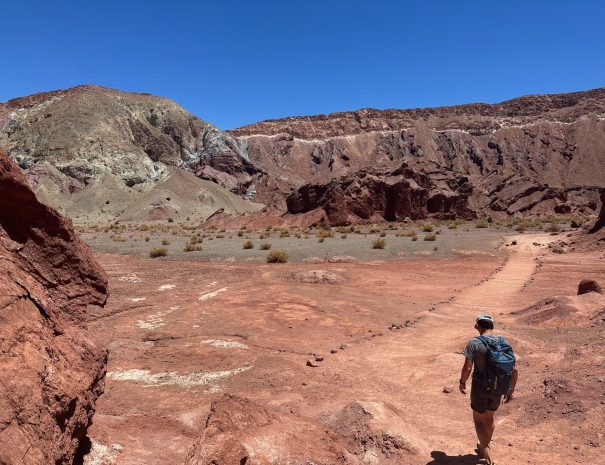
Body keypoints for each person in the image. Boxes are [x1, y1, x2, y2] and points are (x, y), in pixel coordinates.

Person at [459, 314, 518, 465]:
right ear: (491, 326)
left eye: (476, 325)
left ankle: (487, 452)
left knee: (478, 419)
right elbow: (514, 369)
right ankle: (484, 445)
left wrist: (462, 382)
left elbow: (467, 367)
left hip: (480, 387)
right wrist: (510, 390)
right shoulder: (503, 341)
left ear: (479, 326)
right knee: (489, 417)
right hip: (498, 387)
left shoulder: (474, 343)